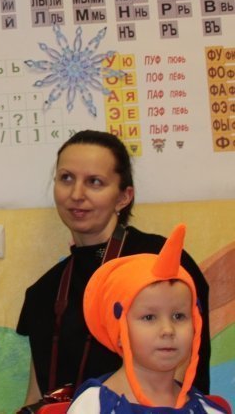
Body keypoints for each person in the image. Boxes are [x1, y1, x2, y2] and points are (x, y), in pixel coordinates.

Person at [17, 130, 210, 406]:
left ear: (123, 197)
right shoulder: (44, 291)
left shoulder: (161, 262)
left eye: (94, 182)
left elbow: (181, 369)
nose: (76, 194)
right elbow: (35, 396)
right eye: (66, 178)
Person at [67, 224, 229, 413]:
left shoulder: (209, 410)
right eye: (149, 317)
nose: (168, 330)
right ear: (118, 330)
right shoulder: (93, 407)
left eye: (179, 316)